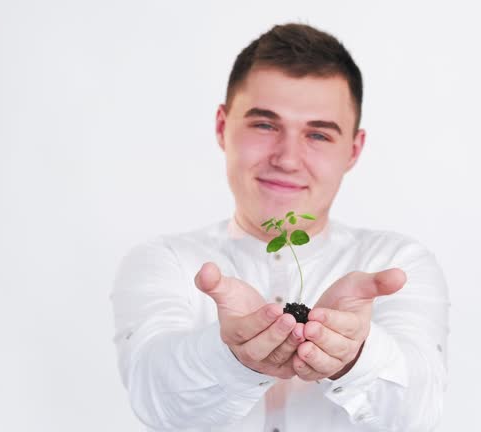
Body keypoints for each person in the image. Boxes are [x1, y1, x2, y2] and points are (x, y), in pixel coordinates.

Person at [110, 23, 450, 432]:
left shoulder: (396, 264)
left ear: (354, 150)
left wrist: (356, 356)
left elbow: (417, 412)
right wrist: (232, 356)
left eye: (319, 134)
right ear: (222, 127)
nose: (288, 159)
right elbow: (156, 399)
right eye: (265, 125)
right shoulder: (165, 262)